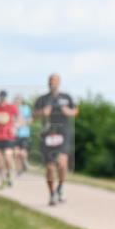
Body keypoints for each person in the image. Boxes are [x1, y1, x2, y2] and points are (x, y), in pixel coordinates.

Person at [34, 74, 78, 206]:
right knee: (49, 167)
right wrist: (42, 112)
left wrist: (68, 112)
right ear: (48, 83)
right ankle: (52, 194)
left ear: (59, 83)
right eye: (50, 81)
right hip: (47, 133)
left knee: (62, 163)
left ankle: (60, 187)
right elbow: (33, 114)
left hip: (63, 133)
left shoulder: (66, 97)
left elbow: (75, 111)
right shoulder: (42, 99)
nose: (52, 84)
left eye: (55, 81)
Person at [13, 95, 32, 174]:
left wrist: (22, 123)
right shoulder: (11, 109)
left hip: (24, 134)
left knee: (23, 153)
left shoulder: (26, 108)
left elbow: (30, 119)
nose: (17, 102)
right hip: (14, 134)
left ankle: (24, 162)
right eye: (16, 100)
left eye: (19, 100)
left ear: (21, 101)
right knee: (16, 153)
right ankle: (19, 169)